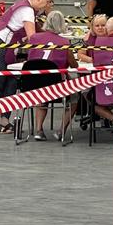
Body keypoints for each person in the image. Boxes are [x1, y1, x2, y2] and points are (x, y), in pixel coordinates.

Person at [0, 0, 53, 133]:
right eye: (46, 1)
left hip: (9, 46)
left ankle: (5, 119)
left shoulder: (29, 8)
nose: (47, 5)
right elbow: (33, 36)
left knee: (12, 81)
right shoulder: (27, 10)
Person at [26, 11, 78, 141]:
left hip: (33, 85)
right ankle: (61, 131)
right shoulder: (64, 42)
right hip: (56, 87)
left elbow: (30, 58)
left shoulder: (34, 38)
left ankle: (38, 130)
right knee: (76, 98)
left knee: (42, 95)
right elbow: (73, 65)